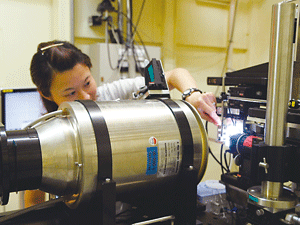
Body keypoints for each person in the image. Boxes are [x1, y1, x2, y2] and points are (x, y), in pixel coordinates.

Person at [25, 40, 221, 207]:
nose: (85, 97)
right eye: (70, 92)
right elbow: (33, 201)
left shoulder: (112, 95)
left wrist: (192, 95)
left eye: (87, 83)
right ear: (47, 94)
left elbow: (174, 74)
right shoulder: (45, 133)